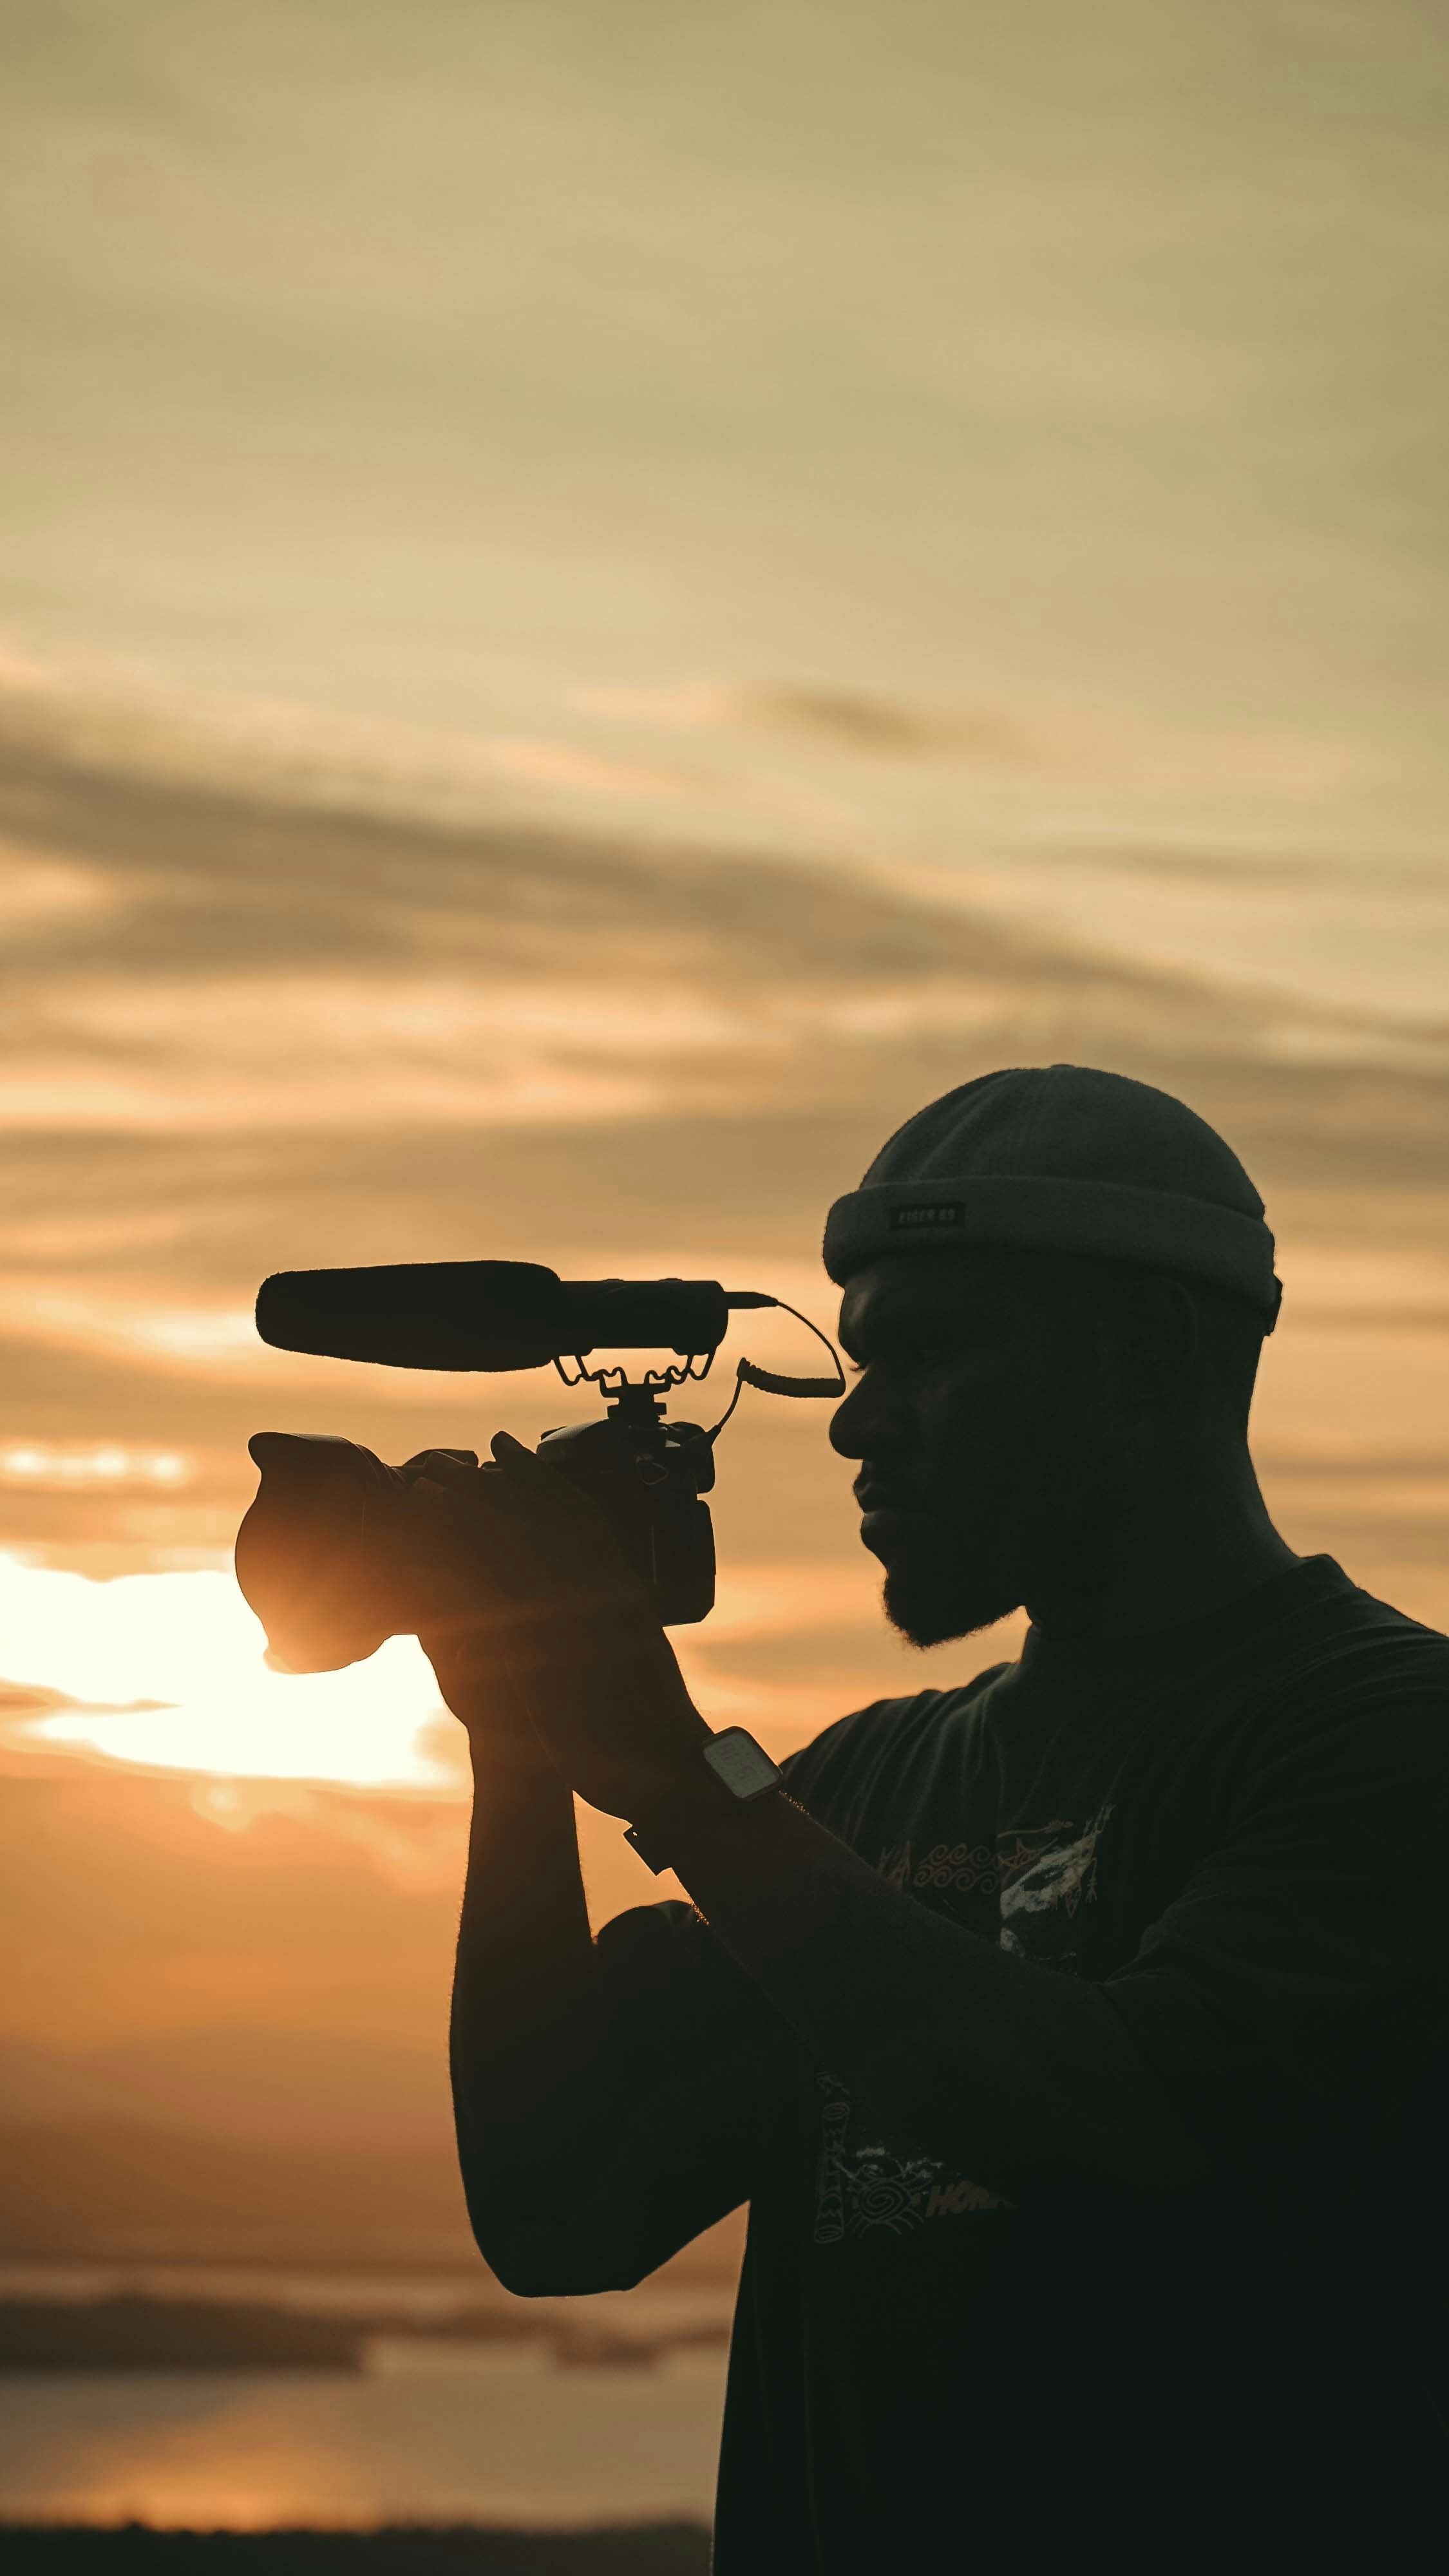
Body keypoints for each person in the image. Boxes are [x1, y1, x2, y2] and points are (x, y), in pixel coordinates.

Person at [423, 1064, 1449, 2571]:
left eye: (932, 1353)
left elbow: (1132, 2120)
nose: (858, 1426)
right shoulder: (852, 1786)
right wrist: (517, 1725)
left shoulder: (1381, 1734)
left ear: (1151, 1350)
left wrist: (669, 1770)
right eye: (852, 1362)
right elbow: (556, 2202)